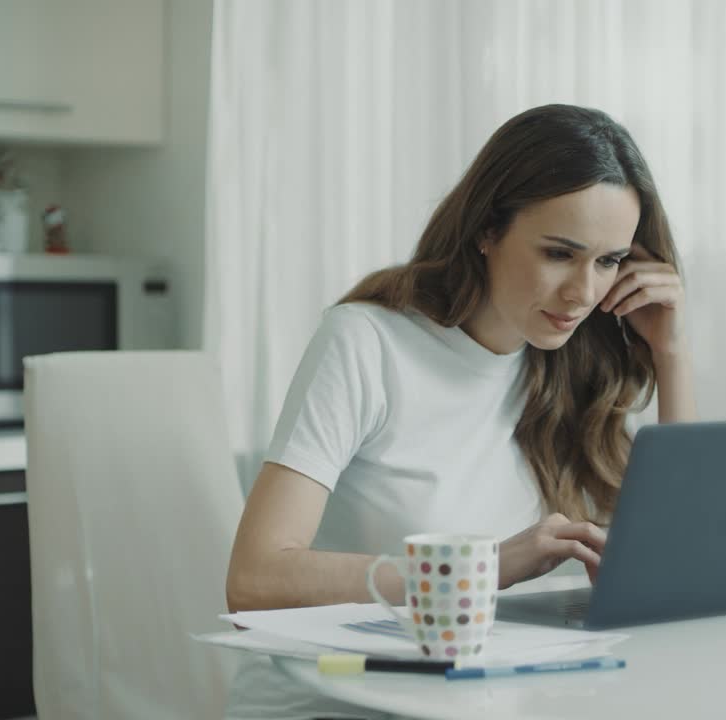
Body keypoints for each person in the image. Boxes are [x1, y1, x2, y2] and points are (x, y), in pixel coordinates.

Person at [223, 104, 696, 719]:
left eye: (608, 262)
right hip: (333, 705)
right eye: (559, 253)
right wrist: (484, 569)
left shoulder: (566, 363)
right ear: (486, 230)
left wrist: (673, 355)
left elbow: (683, 572)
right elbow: (254, 582)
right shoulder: (368, 342)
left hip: (488, 703)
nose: (584, 292)